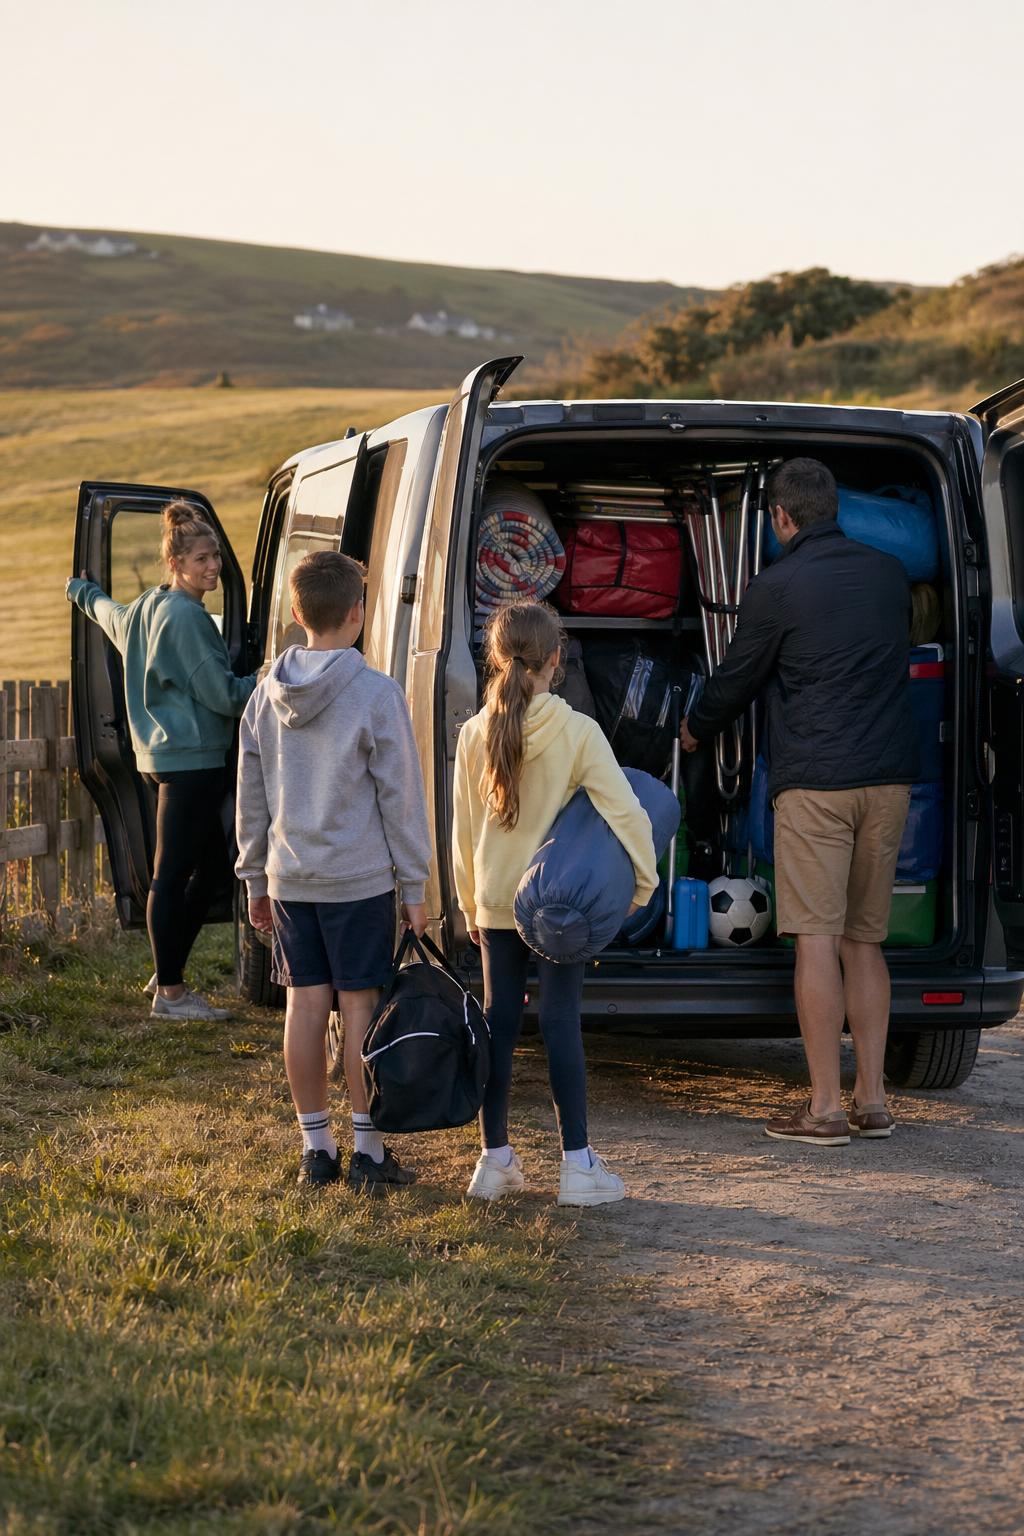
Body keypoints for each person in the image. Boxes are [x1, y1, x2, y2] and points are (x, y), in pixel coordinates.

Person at [681, 457, 919, 1145]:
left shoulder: (776, 585)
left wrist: (696, 728)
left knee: (815, 938)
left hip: (818, 783)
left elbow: (737, 680)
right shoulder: (888, 575)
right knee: (864, 941)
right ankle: (872, 1100)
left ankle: (823, 1108)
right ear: (836, 508)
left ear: (781, 518)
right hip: (890, 780)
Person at [235, 550, 432, 1190]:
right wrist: (415, 884)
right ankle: (368, 1153)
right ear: (359, 612)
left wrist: (254, 876)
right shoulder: (377, 694)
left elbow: (253, 793)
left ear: (296, 614)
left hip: (293, 878)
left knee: (303, 1004)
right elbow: (400, 796)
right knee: (359, 1008)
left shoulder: (265, 694)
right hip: (361, 879)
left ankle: (315, 1149)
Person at [453, 600, 658, 1205]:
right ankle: (577, 1167)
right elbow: (626, 813)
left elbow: (462, 832)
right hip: (557, 906)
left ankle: (493, 1162)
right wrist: (641, 886)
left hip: (493, 901)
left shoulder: (473, 733)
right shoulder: (577, 731)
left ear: (495, 658)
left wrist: (469, 905)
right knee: (561, 1020)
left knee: (499, 1022)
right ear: (557, 658)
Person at [66, 500, 256, 1020]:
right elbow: (223, 695)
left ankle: (166, 963)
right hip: (191, 762)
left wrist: (81, 589)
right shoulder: (188, 619)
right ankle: (170, 993)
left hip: (160, 759)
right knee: (171, 874)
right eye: (201, 559)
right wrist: (267, 678)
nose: (213, 566)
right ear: (175, 563)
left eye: (216, 556)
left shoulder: (149, 607)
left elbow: (109, 615)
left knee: (212, 867)